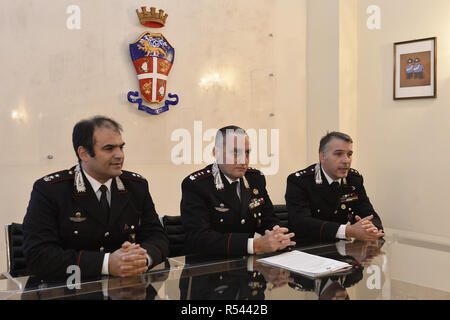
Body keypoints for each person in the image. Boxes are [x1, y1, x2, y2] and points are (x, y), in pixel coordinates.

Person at [23, 116, 169, 280]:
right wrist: (106, 264)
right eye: (109, 148)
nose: (119, 155)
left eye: (121, 147)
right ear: (84, 154)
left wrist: (141, 259)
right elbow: (38, 256)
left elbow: (158, 237)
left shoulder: (136, 185)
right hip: (71, 289)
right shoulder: (50, 190)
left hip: (128, 289)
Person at [180, 125, 295, 256]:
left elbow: (268, 219)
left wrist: (278, 236)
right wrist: (254, 245)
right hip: (208, 266)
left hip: (247, 264)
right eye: (235, 152)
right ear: (216, 153)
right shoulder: (197, 185)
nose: (243, 160)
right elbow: (198, 238)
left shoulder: (255, 179)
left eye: (247, 153)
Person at [285, 131, 384, 243]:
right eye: (338, 154)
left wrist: (371, 228)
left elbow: (369, 214)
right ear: (322, 156)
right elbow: (301, 223)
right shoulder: (301, 181)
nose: (346, 160)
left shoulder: (354, 179)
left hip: (341, 249)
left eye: (349, 154)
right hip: (307, 249)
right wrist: (348, 231)